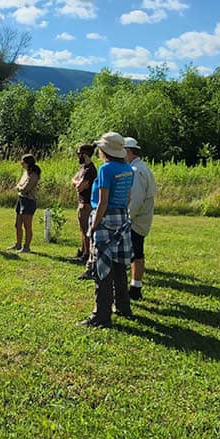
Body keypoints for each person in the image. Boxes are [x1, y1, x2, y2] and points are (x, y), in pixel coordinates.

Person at [78, 132, 136, 328]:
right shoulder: (128, 168)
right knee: (119, 266)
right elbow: (128, 197)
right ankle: (123, 306)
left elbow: (102, 201)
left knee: (102, 269)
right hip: (122, 216)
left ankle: (101, 315)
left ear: (105, 150)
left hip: (105, 218)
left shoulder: (106, 169)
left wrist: (94, 227)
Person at [124, 137, 157, 301]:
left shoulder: (135, 171)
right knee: (137, 253)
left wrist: (127, 218)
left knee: (134, 254)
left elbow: (136, 200)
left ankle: (135, 288)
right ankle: (136, 286)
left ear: (128, 151)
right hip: (142, 219)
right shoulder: (141, 167)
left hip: (136, 221)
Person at [71, 143, 98, 273]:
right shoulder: (83, 168)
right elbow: (74, 180)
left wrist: (77, 183)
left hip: (87, 204)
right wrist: (77, 182)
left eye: (79, 154)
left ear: (85, 155)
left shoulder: (90, 170)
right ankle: (83, 252)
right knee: (82, 230)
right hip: (81, 203)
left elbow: (80, 186)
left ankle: (87, 254)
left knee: (86, 231)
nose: (78, 157)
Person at [10, 154, 42, 253]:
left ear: (28, 163)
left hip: (29, 201)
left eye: (23, 162)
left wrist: (19, 188)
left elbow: (25, 189)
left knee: (27, 225)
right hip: (21, 199)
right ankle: (18, 244)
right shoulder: (25, 173)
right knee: (17, 224)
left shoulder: (34, 175)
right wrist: (19, 187)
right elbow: (20, 184)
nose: (21, 163)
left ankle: (26, 247)